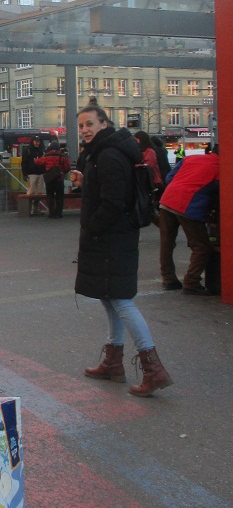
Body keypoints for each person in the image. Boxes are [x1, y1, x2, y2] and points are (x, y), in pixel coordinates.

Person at [71, 105, 172, 398]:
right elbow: (109, 192)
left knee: (121, 300)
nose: (85, 130)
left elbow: (114, 201)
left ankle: (153, 369)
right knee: (109, 296)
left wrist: (92, 227)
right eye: (81, 125)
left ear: (104, 123)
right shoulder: (105, 152)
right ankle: (113, 361)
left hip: (110, 238)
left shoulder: (109, 155)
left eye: (90, 124)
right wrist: (85, 183)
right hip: (112, 236)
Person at [158, 148, 220, 295]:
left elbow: (169, 178)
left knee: (167, 243)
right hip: (189, 204)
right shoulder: (221, 168)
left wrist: (180, 186)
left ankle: (168, 279)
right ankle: (191, 282)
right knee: (201, 247)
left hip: (167, 200)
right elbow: (219, 195)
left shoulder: (190, 158)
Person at [34, 139, 70, 218]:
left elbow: (38, 162)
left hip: (49, 179)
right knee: (59, 197)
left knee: (50, 196)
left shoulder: (46, 155)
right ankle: (59, 213)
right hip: (59, 179)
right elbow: (67, 167)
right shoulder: (62, 156)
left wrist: (35, 160)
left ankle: (51, 213)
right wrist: (62, 172)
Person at [21, 134, 46, 213]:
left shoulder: (41, 150)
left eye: (38, 141)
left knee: (39, 192)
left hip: (40, 173)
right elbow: (24, 162)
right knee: (31, 191)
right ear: (32, 141)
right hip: (31, 173)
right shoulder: (28, 150)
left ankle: (35, 208)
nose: (37, 143)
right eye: (35, 141)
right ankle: (29, 209)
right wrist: (24, 173)